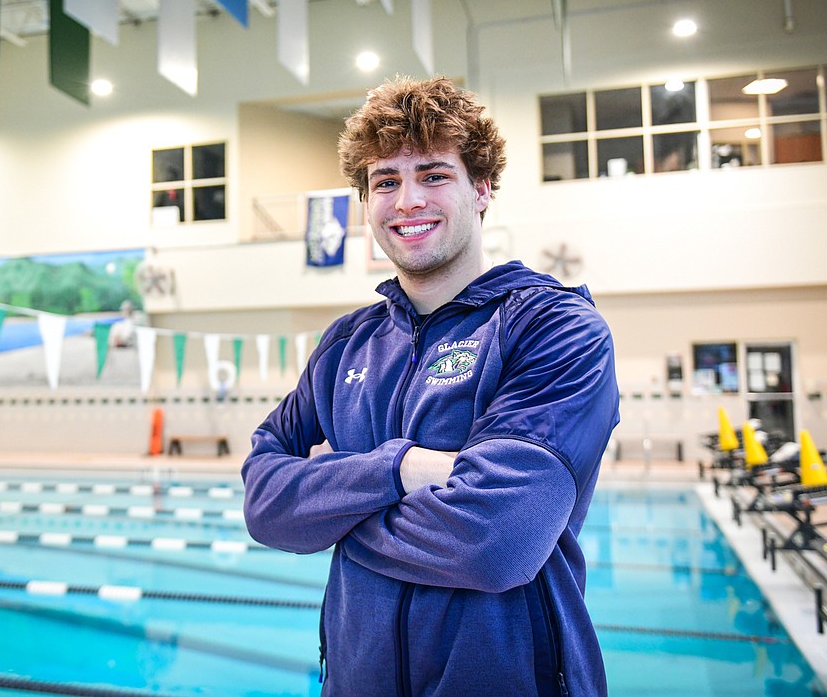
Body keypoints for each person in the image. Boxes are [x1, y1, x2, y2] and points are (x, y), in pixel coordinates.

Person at [241, 76, 620, 696]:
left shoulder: (551, 327)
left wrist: (330, 510)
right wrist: (404, 470)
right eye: (385, 181)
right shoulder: (346, 345)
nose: (407, 200)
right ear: (366, 203)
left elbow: (495, 538)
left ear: (482, 188)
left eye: (434, 174)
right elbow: (263, 500)